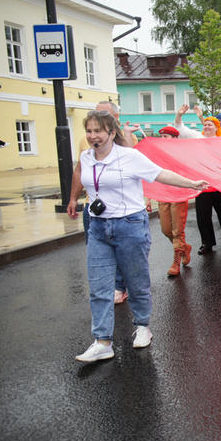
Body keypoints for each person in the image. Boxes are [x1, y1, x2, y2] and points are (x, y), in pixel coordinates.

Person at [67, 110, 208, 362]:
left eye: (98, 131)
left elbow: (160, 173)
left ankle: (143, 326)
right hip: (98, 227)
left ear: (112, 133)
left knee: (136, 282)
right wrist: (72, 199)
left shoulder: (129, 156)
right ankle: (102, 341)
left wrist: (191, 183)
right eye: (89, 131)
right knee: (99, 288)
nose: (92, 136)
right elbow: (79, 174)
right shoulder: (86, 157)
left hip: (129, 225)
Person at [70, 101, 139, 304]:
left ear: (114, 119)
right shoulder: (86, 140)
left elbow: (132, 163)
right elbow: (80, 170)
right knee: (96, 250)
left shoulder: (126, 137)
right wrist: (73, 198)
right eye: (95, 112)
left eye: (103, 114)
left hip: (120, 209)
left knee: (120, 250)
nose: (97, 117)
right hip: (93, 207)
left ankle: (119, 286)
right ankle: (103, 286)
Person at [173, 104, 221, 254]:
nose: (206, 127)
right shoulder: (197, 137)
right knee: (202, 214)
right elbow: (180, 129)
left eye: (210, 125)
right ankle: (207, 243)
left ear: (216, 127)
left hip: (218, 182)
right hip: (201, 183)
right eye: (205, 124)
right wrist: (179, 115)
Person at [149, 126, 193, 276]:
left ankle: (176, 262)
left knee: (177, 231)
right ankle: (185, 248)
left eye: (166, 137)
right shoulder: (158, 154)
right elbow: (151, 176)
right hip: (163, 196)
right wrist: (149, 198)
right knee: (166, 230)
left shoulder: (182, 154)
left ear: (175, 139)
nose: (162, 139)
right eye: (161, 137)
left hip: (179, 195)